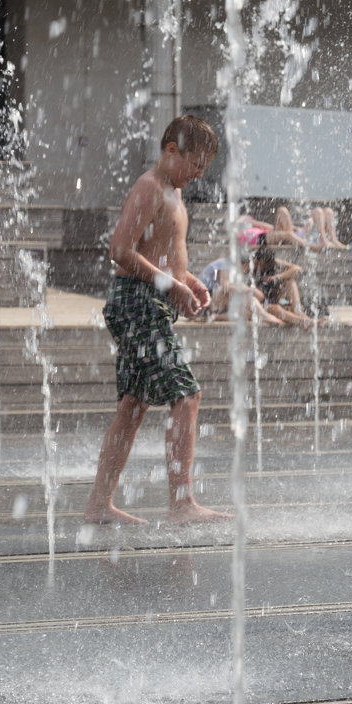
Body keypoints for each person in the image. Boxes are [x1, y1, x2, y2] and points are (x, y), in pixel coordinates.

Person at [83, 115, 232, 526]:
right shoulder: (150, 188)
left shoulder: (174, 192)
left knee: (133, 404)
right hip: (138, 302)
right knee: (186, 396)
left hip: (147, 300)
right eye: (194, 164)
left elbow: (159, 251)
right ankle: (181, 503)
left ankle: (99, 504)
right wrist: (171, 285)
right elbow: (120, 249)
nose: (199, 175)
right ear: (171, 151)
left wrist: (188, 282)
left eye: (204, 168)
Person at [199, 255, 282, 326]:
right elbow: (225, 286)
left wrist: (250, 290)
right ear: (244, 265)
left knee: (249, 314)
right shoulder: (224, 264)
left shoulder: (236, 273)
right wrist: (250, 290)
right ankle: (264, 315)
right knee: (238, 291)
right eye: (249, 268)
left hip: (215, 307)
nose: (249, 271)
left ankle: (216, 316)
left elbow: (260, 297)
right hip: (204, 302)